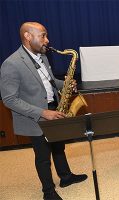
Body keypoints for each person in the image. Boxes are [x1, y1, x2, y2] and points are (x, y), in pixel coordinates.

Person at [0, 22, 87, 200]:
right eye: (43, 35)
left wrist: (66, 85)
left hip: (53, 108)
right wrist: (42, 112)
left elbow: (50, 82)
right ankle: (48, 192)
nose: (47, 40)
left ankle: (66, 177)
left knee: (58, 146)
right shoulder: (11, 64)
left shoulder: (43, 56)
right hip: (36, 116)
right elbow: (9, 100)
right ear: (27, 36)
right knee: (43, 156)